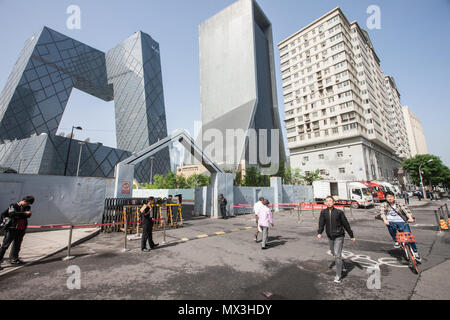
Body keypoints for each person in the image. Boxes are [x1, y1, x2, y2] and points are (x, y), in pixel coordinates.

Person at [317, 196, 355, 283]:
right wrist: (319, 232)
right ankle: (341, 263)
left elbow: (346, 224)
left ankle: (338, 275)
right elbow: (321, 223)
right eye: (327, 201)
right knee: (333, 253)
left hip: (339, 236)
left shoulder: (339, 212)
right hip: (330, 236)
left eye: (330, 201)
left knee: (337, 255)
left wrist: (351, 235)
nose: (329, 202)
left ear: (334, 202)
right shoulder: (323, 212)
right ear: (325, 203)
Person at [378, 191, 421, 261]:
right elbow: (382, 213)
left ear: (394, 197)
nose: (390, 198)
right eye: (388, 197)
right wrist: (385, 220)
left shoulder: (399, 203)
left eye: (391, 196)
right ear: (385, 198)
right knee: (391, 228)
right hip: (391, 221)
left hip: (401, 221)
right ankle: (396, 241)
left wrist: (410, 218)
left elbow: (406, 211)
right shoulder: (384, 204)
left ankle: (415, 252)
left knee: (409, 236)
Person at [0, 196, 35, 269]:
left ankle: (14, 259)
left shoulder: (27, 207)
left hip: (21, 229)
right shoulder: (13, 205)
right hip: (12, 228)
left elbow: (27, 215)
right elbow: (12, 214)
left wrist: (21, 214)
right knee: (5, 245)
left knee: (17, 245)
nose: (28, 205)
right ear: (24, 201)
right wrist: (24, 213)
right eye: (27, 203)